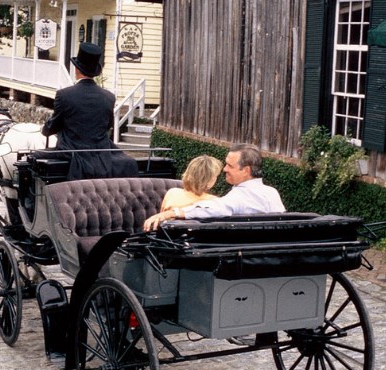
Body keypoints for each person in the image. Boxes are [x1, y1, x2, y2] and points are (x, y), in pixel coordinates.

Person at [41, 42, 138, 180]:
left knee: (32, 157)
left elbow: (54, 125)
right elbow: (107, 126)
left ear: (76, 70)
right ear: (94, 72)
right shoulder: (109, 97)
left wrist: (45, 129)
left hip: (72, 152)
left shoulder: (64, 95)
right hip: (101, 153)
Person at [143, 143, 285, 231]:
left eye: (230, 165)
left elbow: (213, 208)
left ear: (246, 170)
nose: (224, 169)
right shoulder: (272, 193)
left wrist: (170, 213)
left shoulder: (239, 197)